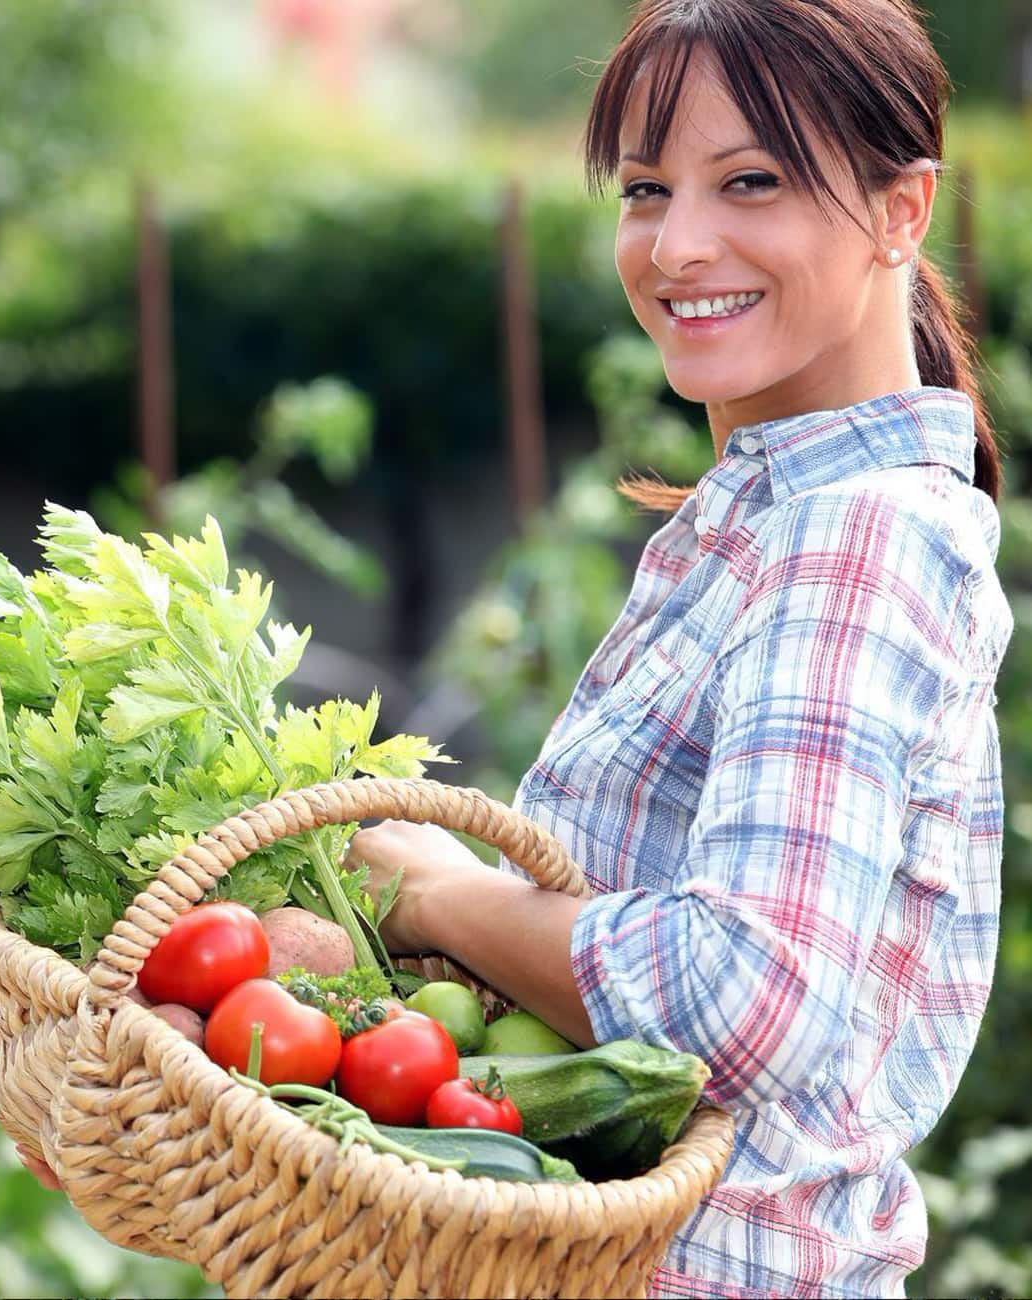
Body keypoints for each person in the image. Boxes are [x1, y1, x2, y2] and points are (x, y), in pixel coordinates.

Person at [347, 0, 1013, 1295]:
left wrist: (438, 895)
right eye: (646, 188)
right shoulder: (764, 518)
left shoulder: (851, 539)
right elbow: (613, 949)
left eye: (750, 180)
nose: (677, 242)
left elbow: (737, 998)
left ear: (900, 209)